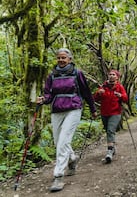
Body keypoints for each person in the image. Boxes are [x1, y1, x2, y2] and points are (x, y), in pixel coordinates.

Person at [36, 48, 97, 192]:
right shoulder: (52, 76)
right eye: (58, 58)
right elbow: (48, 95)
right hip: (57, 110)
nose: (61, 60)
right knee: (58, 142)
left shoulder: (77, 73)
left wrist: (93, 109)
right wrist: (43, 100)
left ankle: (58, 176)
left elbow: (86, 92)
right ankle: (72, 159)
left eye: (64, 58)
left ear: (70, 59)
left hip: (73, 109)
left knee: (63, 141)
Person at [93, 70, 128, 163]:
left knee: (110, 130)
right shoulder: (103, 86)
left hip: (115, 113)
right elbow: (95, 98)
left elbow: (125, 99)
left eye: (113, 75)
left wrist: (120, 95)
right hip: (104, 113)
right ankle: (112, 148)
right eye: (110, 74)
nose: (111, 76)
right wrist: (98, 93)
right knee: (108, 130)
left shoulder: (119, 87)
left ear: (117, 77)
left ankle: (109, 151)